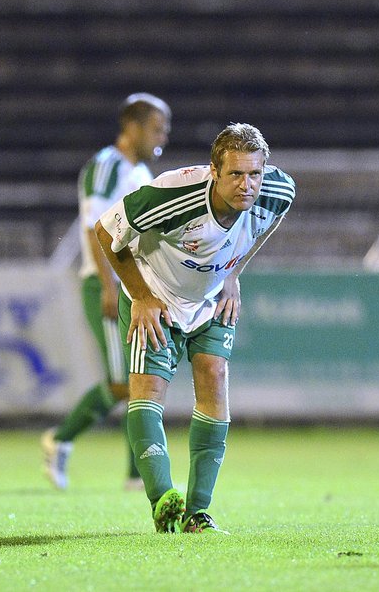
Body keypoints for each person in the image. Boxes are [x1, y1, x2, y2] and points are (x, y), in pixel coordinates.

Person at [94, 122, 295, 533]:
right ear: (214, 171)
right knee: (148, 391)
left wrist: (234, 274)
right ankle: (162, 498)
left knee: (214, 376)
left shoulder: (278, 193)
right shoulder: (173, 196)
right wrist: (142, 297)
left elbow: (261, 230)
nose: (247, 185)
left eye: (254, 173)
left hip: (209, 299)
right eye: (236, 174)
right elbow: (105, 231)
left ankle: (198, 512)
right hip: (155, 295)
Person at [42, 93, 172, 491]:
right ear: (132, 127)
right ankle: (60, 440)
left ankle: (136, 476)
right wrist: (108, 281)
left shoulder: (142, 172)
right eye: (156, 127)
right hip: (108, 283)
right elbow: (91, 225)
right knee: (121, 382)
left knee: (138, 377)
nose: (162, 135)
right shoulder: (105, 166)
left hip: (137, 287)